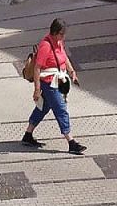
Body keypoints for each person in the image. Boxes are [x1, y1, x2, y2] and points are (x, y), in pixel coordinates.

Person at [22, 18, 86, 155]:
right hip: (49, 83)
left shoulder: (58, 42)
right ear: (55, 32)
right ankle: (71, 142)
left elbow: (64, 58)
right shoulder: (45, 45)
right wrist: (37, 90)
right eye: (62, 34)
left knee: (43, 107)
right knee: (61, 110)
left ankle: (28, 134)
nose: (64, 36)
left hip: (57, 80)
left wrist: (72, 72)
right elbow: (37, 68)